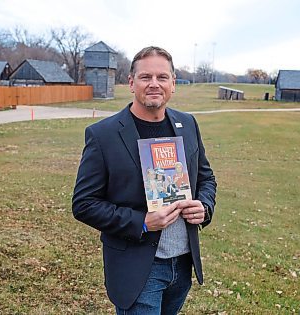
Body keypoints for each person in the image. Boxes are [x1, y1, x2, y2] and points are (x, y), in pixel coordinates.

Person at [72, 46, 216, 314]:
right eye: (145, 77)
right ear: (131, 83)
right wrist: (142, 222)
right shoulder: (103, 135)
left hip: (183, 263)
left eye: (162, 77)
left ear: (173, 84)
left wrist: (204, 207)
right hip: (138, 268)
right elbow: (84, 204)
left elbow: (206, 177)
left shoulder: (188, 124)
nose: (154, 84)